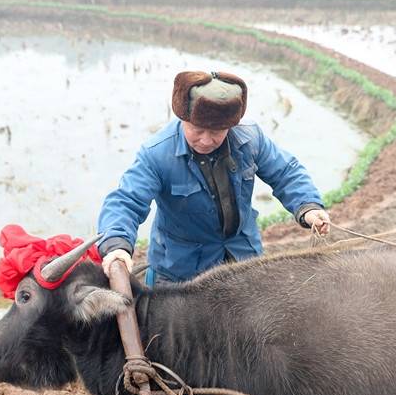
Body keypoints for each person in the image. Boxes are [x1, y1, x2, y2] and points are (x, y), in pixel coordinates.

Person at [97, 70, 330, 285]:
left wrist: (308, 206)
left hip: (242, 259)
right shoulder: (157, 154)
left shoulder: (250, 139)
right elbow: (126, 201)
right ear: (183, 119)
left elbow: (286, 172)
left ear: (230, 125)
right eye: (197, 131)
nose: (206, 140)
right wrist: (117, 245)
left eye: (217, 132)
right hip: (181, 273)